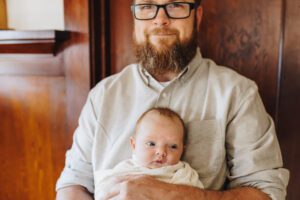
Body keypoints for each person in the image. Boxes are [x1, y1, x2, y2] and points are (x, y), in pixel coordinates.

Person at [56, 0, 289, 200]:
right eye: (147, 6)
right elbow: (73, 183)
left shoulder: (237, 94)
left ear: (196, 15)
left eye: (175, 5)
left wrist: (168, 193)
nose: (160, 19)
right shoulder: (102, 95)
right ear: (134, 16)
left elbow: (267, 193)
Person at [94, 107, 204, 200]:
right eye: (151, 144)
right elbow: (104, 191)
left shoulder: (184, 173)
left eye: (173, 146)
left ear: (182, 150)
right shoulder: (124, 170)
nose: (161, 152)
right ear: (134, 145)